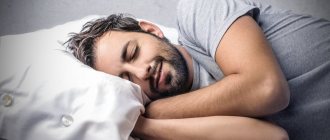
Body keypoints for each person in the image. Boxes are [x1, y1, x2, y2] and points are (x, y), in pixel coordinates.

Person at [66, 0, 330, 139]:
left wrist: (154, 113)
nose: (141, 72)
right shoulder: (181, 126)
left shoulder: (198, 10)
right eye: (126, 79)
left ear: (151, 30)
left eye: (133, 53)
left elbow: (267, 89)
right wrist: (144, 128)